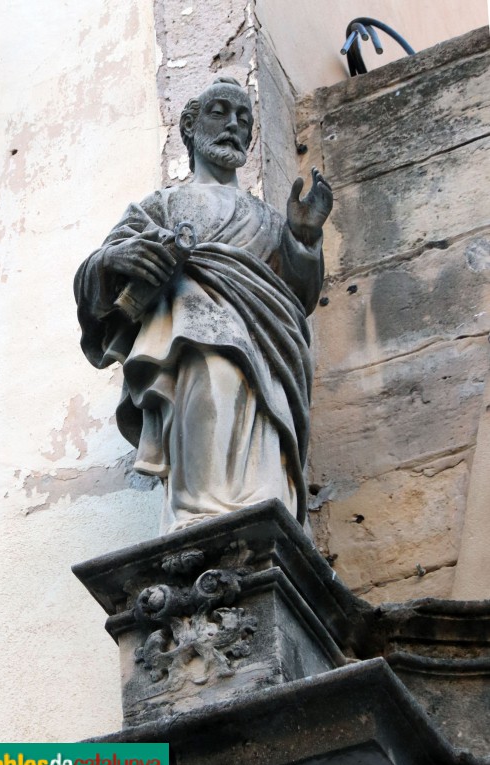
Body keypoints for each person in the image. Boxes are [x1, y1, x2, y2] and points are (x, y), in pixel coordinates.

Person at [74, 77, 333, 533]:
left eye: (244, 119)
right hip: (192, 338)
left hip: (268, 350)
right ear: (190, 128)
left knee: (262, 434)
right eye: (220, 112)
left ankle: (262, 510)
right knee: (210, 385)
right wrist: (115, 258)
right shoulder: (160, 205)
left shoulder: (271, 220)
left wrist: (305, 239)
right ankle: (199, 514)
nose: (234, 125)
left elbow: (298, 298)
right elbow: (93, 279)